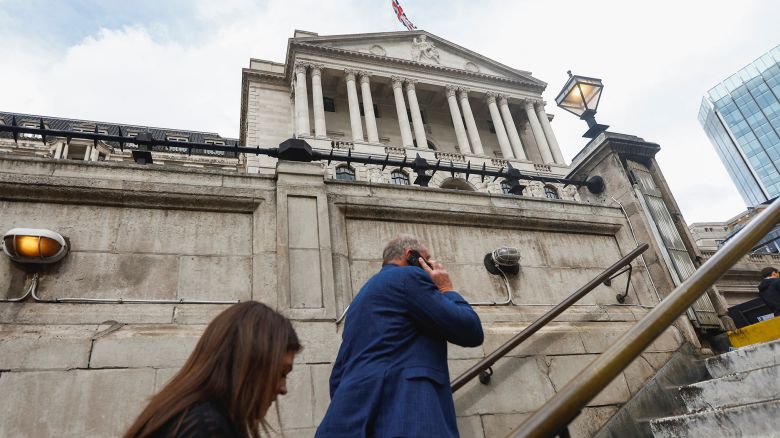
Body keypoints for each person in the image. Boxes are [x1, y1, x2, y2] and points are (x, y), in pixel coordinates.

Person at [316, 234, 484, 437]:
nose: (431, 264)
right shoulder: (410, 277)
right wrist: (446, 288)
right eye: (427, 258)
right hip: (407, 416)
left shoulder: (360, 300)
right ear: (411, 255)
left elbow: (338, 374)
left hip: (351, 418)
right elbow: (470, 330)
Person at [124, 301, 301, 438]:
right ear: (247, 363)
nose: (283, 389)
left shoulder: (194, 416)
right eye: (280, 373)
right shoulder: (205, 426)